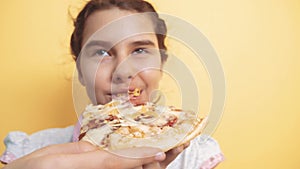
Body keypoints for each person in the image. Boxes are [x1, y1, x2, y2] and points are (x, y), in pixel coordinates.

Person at [1, 0, 224, 168]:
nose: (122, 71)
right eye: (101, 52)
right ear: (80, 70)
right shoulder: (29, 152)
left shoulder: (196, 157)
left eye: (139, 50)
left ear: (161, 64)